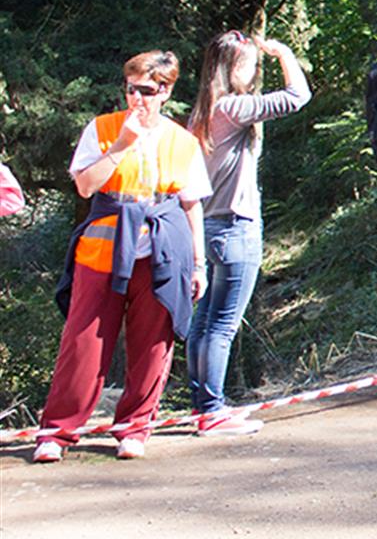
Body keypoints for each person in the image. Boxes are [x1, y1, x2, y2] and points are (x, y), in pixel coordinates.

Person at [34, 51, 211, 463]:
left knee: (153, 343)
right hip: (103, 249)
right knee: (83, 342)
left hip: (164, 249)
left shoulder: (183, 141)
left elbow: (192, 205)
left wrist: (199, 264)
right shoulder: (101, 129)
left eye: (147, 91)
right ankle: (57, 431)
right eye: (131, 89)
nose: (137, 98)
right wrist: (120, 146)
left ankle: (134, 427)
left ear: (165, 91)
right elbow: (84, 186)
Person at [186, 32, 312, 434]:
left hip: (207, 225)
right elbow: (297, 97)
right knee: (221, 325)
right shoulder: (233, 107)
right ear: (231, 69)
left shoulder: (204, 113)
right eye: (251, 64)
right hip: (235, 226)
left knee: (204, 323)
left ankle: (205, 404)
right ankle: (212, 409)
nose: (257, 71)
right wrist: (285, 54)